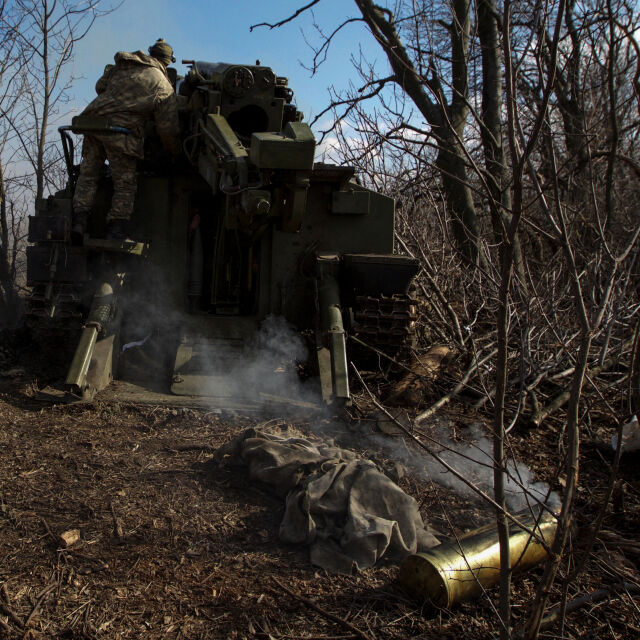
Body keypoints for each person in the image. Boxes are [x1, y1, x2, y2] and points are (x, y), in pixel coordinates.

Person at [72, 39, 181, 241]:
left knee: (88, 174)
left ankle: (79, 221)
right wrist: (175, 153)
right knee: (125, 183)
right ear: (167, 62)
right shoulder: (162, 85)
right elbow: (168, 129)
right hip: (119, 132)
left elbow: (99, 86)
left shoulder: (123, 65)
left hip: (93, 123)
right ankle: (116, 229)